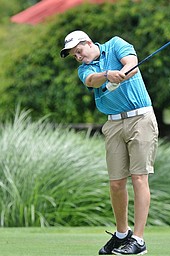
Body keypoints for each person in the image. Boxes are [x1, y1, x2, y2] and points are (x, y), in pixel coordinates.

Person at [60, 30, 158, 255]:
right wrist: (108, 75)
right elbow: (91, 80)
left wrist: (121, 73)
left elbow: (131, 63)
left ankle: (139, 241)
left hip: (140, 118)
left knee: (139, 178)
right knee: (116, 183)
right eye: (75, 55)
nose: (78, 56)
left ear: (87, 42)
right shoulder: (85, 68)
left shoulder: (115, 44)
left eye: (79, 50)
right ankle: (122, 234)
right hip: (113, 124)